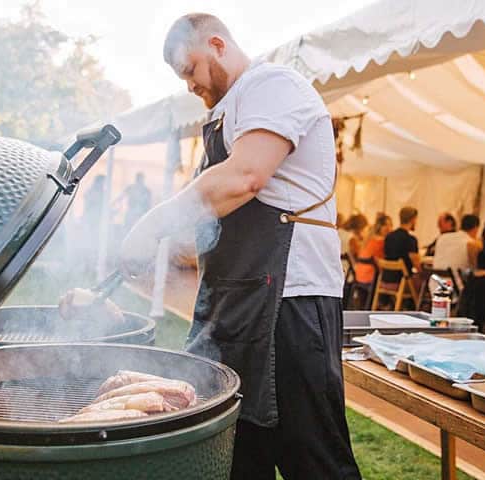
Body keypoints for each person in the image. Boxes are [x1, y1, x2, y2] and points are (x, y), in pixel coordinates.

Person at [119, 14, 361, 479]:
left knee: (313, 458)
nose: (189, 85)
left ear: (216, 44)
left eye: (190, 69)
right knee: (236, 455)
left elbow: (245, 178)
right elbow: (213, 217)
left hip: (289, 301)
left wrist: (151, 226)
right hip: (235, 305)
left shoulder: (273, 86)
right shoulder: (225, 115)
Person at [383, 207, 420, 284]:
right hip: (402, 282)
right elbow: (417, 265)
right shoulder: (410, 240)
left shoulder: (388, 237)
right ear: (412, 219)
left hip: (386, 280)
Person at [355, 213, 391, 285]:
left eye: (390, 225)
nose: (389, 228)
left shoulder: (368, 240)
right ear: (379, 227)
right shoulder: (382, 241)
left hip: (359, 276)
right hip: (372, 277)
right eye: (385, 225)